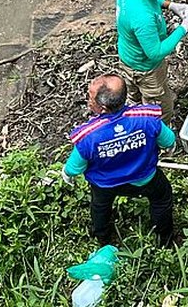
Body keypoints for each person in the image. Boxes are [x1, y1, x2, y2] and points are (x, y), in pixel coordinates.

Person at [62, 74, 177, 247]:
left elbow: (73, 167)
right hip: (145, 177)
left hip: (105, 184)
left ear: (102, 108)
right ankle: (165, 239)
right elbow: (169, 141)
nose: (88, 100)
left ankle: (103, 239)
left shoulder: (88, 136)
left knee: (100, 207)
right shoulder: (146, 119)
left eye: (90, 96)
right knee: (162, 199)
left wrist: (67, 174)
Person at [116, 0, 188, 125]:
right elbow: (155, 52)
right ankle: (159, 135)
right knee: (160, 107)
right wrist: (184, 28)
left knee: (133, 94)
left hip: (127, 55)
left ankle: (135, 106)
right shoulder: (143, 18)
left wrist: (170, 5)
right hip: (146, 68)